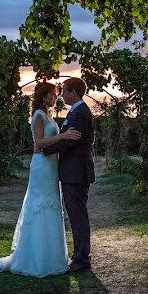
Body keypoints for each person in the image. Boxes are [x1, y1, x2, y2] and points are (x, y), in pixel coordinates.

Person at [0, 82, 81, 277]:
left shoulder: (48, 115)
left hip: (51, 166)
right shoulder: (38, 116)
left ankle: (53, 257)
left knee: (51, 206)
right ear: (43, 97)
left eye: (56, 95)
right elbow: (39, 144)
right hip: (41, 165)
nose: (55, 98)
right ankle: (34, 258)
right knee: (40, 205)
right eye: (52, 95)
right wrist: (64, 136)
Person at [37, 77, 95, 273]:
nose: (61, 94)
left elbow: (71, 141)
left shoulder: (80, 113)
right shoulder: (76, 111)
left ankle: (81, 259)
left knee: (77, 215)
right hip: (73, 171)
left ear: (73, 92)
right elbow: (67, 138)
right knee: (76, 214)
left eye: (64, 90)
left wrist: (45, 151)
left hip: (76, 172)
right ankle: (80, 256)